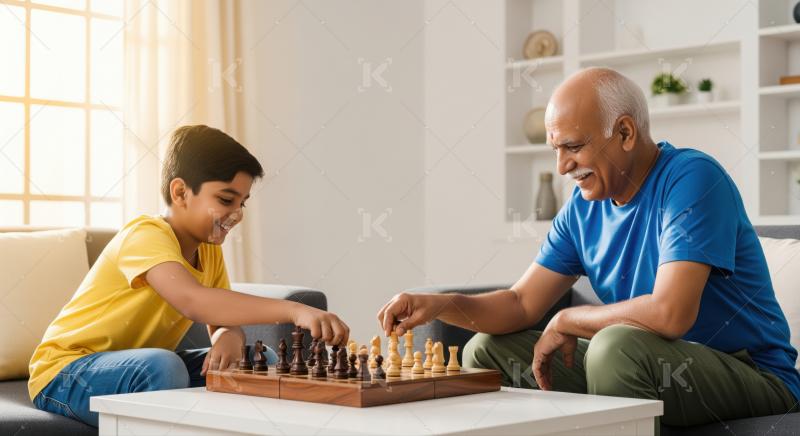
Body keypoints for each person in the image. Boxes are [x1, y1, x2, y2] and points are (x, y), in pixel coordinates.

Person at [378, 67, 799, 427]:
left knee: (615, 349)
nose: (562, 167)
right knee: (489, 349)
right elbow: (521, 303)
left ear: (625, 132)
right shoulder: (583, 209)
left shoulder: (692, 179)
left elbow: (670, 314)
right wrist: (442, 303)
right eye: (555, 149)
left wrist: (567, 319)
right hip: (655, 362)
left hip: (753, 372)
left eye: (573, 147)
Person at [28, 125, 350, 427]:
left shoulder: (208, 248)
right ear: (181, 192)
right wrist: (295, 310)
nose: (236, 214)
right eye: (226, 200)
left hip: (137, 366)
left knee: (258, 359)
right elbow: (194, 301)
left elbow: (221, 316)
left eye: (243, 203)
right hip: (68, 372)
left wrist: (229, 336)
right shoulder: (145, 235)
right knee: (161, 366)